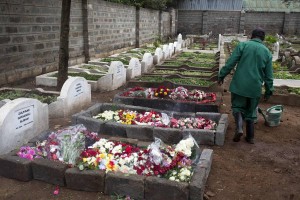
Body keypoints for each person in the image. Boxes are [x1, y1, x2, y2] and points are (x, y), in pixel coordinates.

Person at [218, 28, 274, 144]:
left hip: (239, 85)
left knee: (237, 107)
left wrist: (222, 75)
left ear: (251, 36)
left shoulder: (243, 46)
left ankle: (239, 128)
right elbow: (269, 76)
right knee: (251, 111)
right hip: (255, 87)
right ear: (262, 39)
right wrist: (269, 91)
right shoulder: (267, 52)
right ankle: (250, 137)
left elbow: (231, 62)